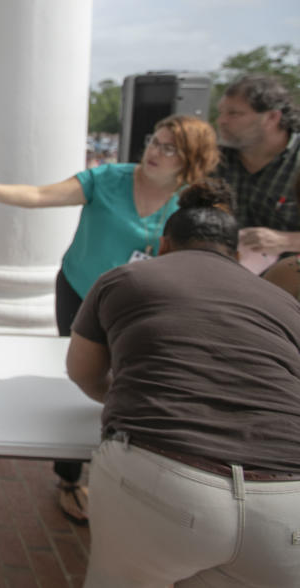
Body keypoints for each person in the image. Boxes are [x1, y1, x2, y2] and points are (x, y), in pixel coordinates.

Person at [0, 114, 219, 524]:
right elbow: (40, 195)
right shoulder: (109, 178)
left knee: (132, 378)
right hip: (80, 293)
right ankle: (70, 478)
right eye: (154, 141)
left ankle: (127, 463)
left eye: (169, 147)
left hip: (142, 305)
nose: (154, 152)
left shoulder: (191, 201)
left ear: (190, 159)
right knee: (81, 376)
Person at [66, 179, 300, 587]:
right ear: (235, 253)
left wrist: (124, 395)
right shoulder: (283, 302)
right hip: (287, 502)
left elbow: (82, 371)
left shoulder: (126, 278)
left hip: (163, 479)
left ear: (165, 243)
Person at [216, 73, 300, 266]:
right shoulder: (216, 159)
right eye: (221, 112)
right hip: (227, 278)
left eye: (234, 113)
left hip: (289, 285)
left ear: (271, 117)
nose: (222, 121)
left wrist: (287, 241)